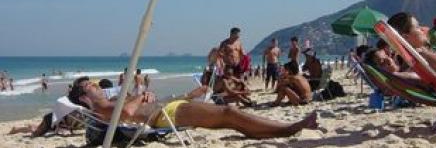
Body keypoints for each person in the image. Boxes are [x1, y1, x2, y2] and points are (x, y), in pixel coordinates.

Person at [68, 77, 318, 139]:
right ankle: (289, 128)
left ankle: (280, 129)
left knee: (228, 118)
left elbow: (132, 106)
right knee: (228, 114)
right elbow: (128, 114)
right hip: (165, 115)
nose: (95, 85)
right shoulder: (101, 108)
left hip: (169, 107)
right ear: (83, 98)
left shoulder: (108, 102)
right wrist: (140, 95)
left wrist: (141, 93)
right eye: (89, 85)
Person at [388, 12, 436, 79]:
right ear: (405, 37)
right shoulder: (417, 63)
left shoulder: (435, 47)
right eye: (417, 27)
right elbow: (414, 76)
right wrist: (425, 54)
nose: (422, 29)